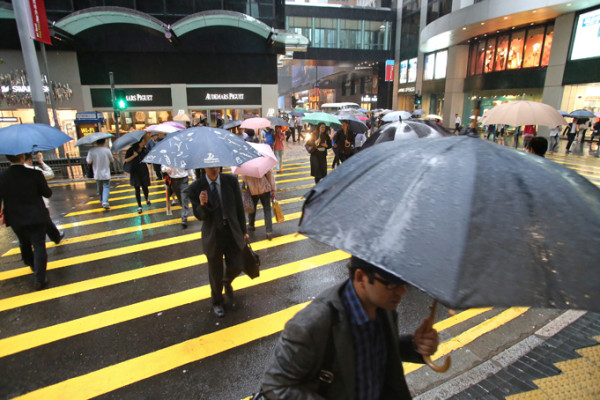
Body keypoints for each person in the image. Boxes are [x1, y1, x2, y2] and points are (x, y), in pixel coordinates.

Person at [260, 256, 439, 399]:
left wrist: (415, 346)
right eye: (392, 284)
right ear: (361, 278)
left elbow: (376, 349)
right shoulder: (312, 324)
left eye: (403, 282)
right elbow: (275, 385)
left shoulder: (384, 304)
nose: (402, 291)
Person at [186, 166, 249, 318]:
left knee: (237, 265)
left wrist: (244, 230)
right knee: (215, 273)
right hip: (213, 235)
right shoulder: (196, 188)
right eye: (210, 166)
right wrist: (202, 205)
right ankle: (217, 301)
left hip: (231, 231)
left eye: (216, 165)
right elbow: (199, 216)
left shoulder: (231, 181)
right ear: (203, 167)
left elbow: (239, 208)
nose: (213, 169)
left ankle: (226, 281)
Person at [0, 153, 53, 290]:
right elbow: (47, 193)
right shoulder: (35, 174)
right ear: (23, 157)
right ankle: (39, 279)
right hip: (36, 216)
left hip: (15, 217)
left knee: (24, 242)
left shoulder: (2, 176)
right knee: (39, 245)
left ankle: (31, 264)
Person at [23, 152, 64, 244]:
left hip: (22, 204)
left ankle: (55, 236)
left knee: (41, 221)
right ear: (29, 160)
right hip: (39, 202)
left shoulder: (13, 173)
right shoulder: (35, 170)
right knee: (45, 219)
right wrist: (41, 162)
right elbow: (50, 174)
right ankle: (56, 236)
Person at [243, 169, 277, 240]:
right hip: (264, 189)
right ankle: (268, 231)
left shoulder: (247, 165)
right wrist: (273, 190)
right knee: (267, 209)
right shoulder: (263, 163)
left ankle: (251, 225)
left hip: (253, 190)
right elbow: (270, 177)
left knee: (252, 207)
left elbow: (245, 179)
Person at [124, 135, 152, 214]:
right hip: (135, 171)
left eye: (144, 141)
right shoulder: (131, 150)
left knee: (145, 187)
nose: (143, 143)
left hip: (143, 170)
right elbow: (126, 160)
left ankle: (146, 198)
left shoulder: (145, 150)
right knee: (137, 189)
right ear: (138, 143)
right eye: (142, 141)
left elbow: (149, 162)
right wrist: (134, 155)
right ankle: (139, 206)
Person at [86, 138, 114, 209]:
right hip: (106, 173)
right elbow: (112, 160)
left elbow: (89, 162)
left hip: (97, 173)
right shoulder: (107, 150)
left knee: (100, 188)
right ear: (104, 142)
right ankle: (105, 202)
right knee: (106, 187)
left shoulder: (91, 151)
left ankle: (102, 201)